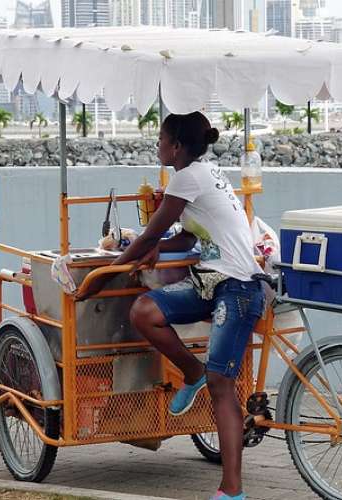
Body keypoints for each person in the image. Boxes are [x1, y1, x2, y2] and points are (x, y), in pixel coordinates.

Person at [77, 111, 265, 500]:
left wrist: (98, 280)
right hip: (210, 281)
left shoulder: (187, 177)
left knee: (222, 386)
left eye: (161, 139)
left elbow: (149, 235)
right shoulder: (204, 171)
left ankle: (232, 491)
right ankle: (192, 372)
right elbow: (183, 237)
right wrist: (158, 247)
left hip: (238, 288)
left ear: (176, 145)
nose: (158, 145)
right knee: (145, 312)